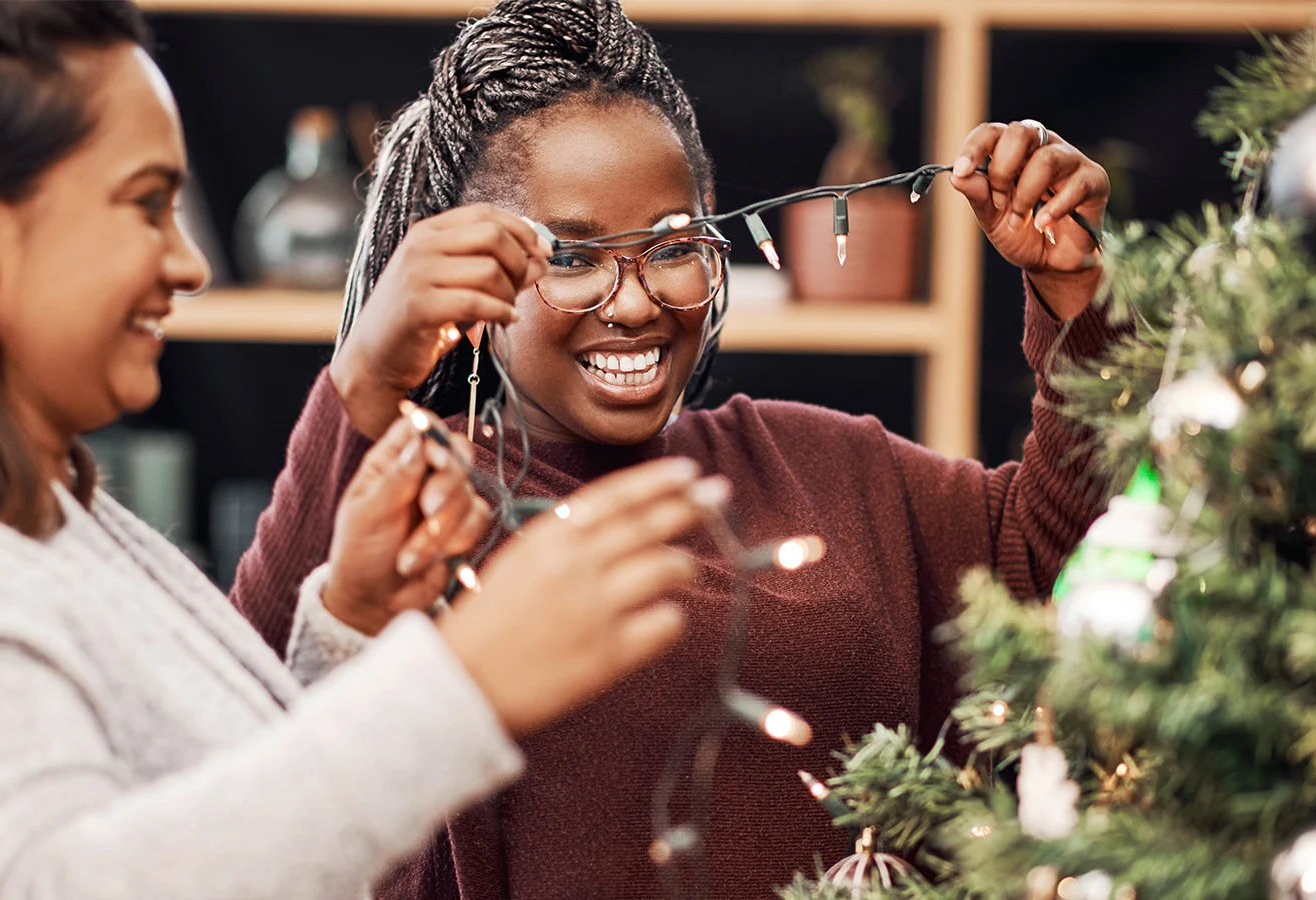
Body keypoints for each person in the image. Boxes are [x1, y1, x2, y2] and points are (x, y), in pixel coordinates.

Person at [230, 0, 1128, 897]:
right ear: (474, 274)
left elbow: (1073, 563)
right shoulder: (415, 503)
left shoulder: (832, 469)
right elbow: (237, 737)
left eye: (671, 246)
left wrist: (1075, 297)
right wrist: (362, 384)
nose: (634, 303)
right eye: (572, 256)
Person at [0, 3, 726, 898]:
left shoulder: (57, 518)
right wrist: (458, 690)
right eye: (146, 205)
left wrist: (347, 628)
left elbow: (211, 810)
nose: (188, 264)